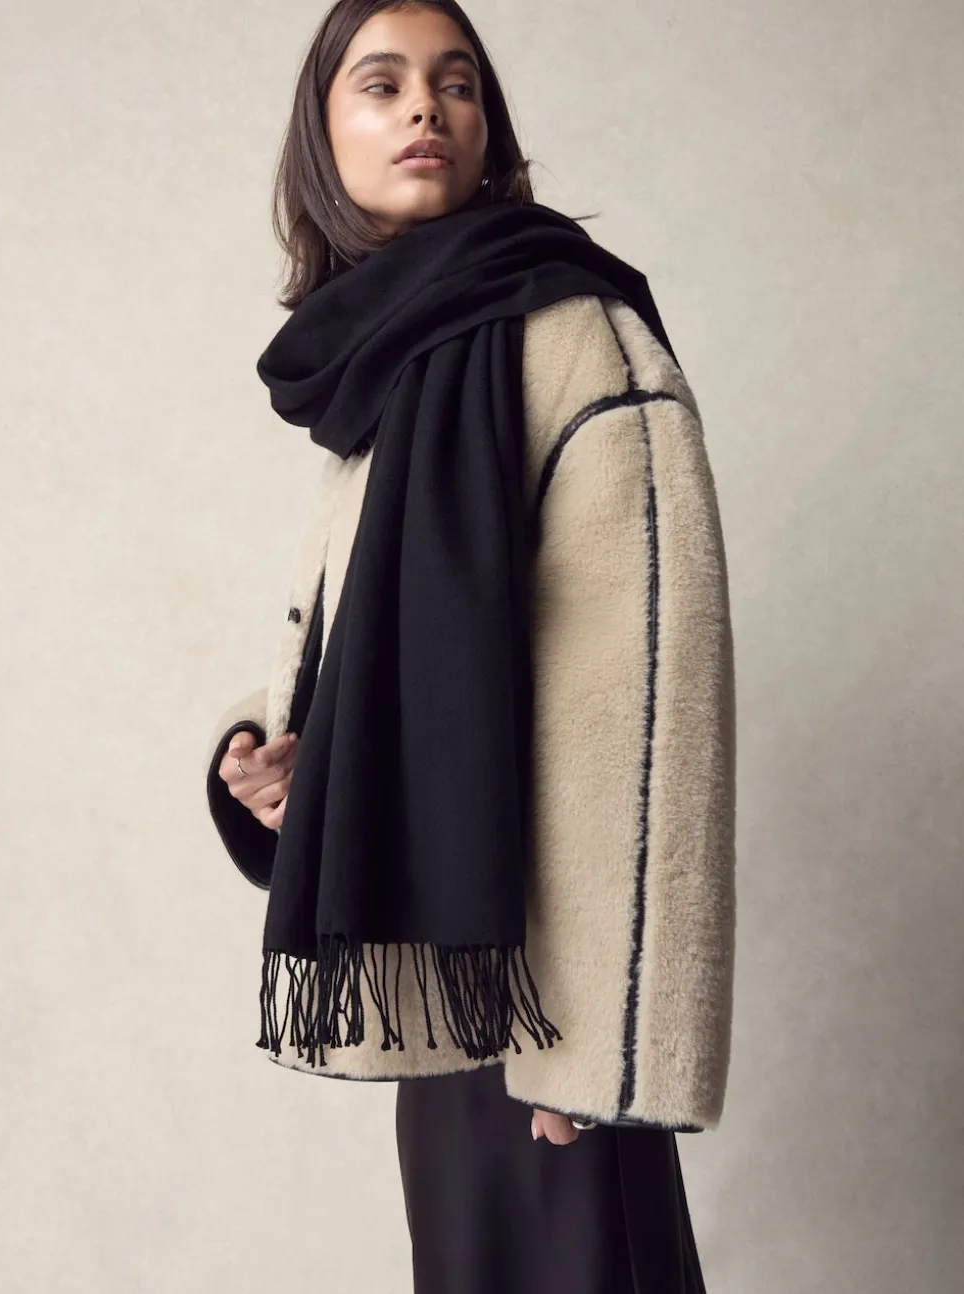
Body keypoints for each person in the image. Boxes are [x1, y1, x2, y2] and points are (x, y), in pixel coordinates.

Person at [203, 2, 736, 1291]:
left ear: (487, 128)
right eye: (380, 85)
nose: (423, 108)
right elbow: (387, 669)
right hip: (448, 987)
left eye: (454, 84)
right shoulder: (386, 369)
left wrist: (599, 1057)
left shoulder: (574, 335)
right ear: (322, 137)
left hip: (560, 1006)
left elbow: (654, 705)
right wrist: (279, 761)